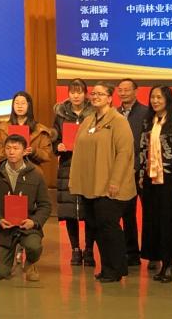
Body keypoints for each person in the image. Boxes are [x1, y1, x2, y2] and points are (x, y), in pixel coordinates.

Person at [69, 81, 135, 283]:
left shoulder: (119, 121)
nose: (95, 97)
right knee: (96, 227)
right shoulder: (88, 121)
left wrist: (115, 181)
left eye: (101, 94)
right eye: (94, 93)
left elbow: (124, 153)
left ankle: (116, 268)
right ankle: (107, 267)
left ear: (110, 98)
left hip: (111, 186)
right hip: (91, 185)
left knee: (109, 227)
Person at [137, 86, 172, 283]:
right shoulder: (148, 122)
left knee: (169, 221)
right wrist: (141, 174)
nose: (155, 101)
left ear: (168, 99)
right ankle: (158, 260)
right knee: (154, 220)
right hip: (150, 179)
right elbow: (142, 149)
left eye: (159, 97)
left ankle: (170, 265)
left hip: (169, 178)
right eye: (152, 97)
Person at [0, 134, 52, 282]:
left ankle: (30, 263)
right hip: (5, 228)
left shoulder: (36, 174)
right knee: (0, 274)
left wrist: (34, 222)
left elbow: (45, 205)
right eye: (8, 148)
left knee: (34, 247)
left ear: (24, 151)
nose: (11, 152)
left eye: (16, 148)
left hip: (28, 227)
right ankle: (11, 257)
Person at [53, 78, 95, 266]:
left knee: (90, 210)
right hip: (67, 165)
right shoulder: (61, 114)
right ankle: (75, 249)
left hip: (89, 165)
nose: (76, 95)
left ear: (85, 93)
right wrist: (58, 146)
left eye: (79, 92)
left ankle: (89, 249)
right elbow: (54, 138)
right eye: (72, 92)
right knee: (70, 210)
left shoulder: (94, 113)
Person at [116, 78, 150, 268]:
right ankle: (132, 254)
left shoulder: (146, 112)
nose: (123, 93)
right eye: (120, 90)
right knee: (127, 215)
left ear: (136, 91)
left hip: (144, 172)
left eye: (127, 89)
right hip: (123, 172)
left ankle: (153, 255)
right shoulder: (114, 113)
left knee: (150, 214)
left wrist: (140, 166)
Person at [0, 92, 54, 168]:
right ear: (13, 106)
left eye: (23, 103)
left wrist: (33, 151)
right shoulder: (2, 128)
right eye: (16, 103)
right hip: (8, 169)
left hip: (32, 170)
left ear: (29, 106)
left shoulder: (40, 130)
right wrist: (10, 151)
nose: (19, 106)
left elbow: (47, 155)